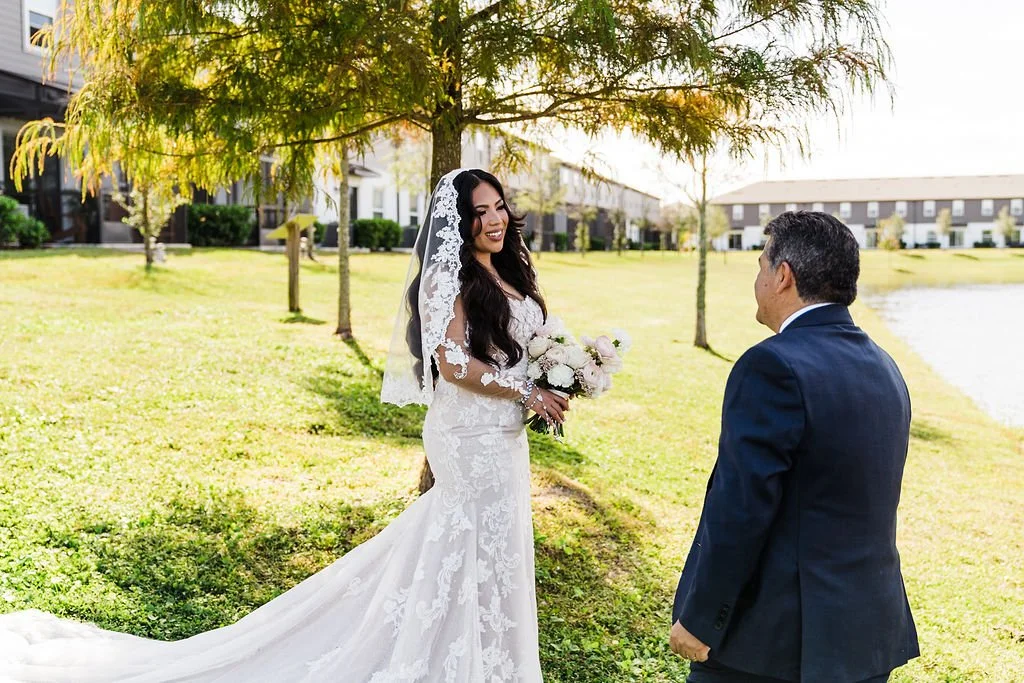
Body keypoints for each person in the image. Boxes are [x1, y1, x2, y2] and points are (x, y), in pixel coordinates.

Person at [0, 168, 565, 682]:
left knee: (492, 543)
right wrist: (527, 390)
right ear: (459, 222)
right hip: (466, 436)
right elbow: (449, 361)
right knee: (457, 540)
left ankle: (493, 658)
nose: (491, 220)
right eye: (478, 211)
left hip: (505, 437)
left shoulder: (512, 268)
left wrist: (561, 373)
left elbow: (515, 348)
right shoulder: (452, 276)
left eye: (497, 208)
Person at [670, 211, 919, 683]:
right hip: (866, 636)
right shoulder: (884, 366)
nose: (758, 277)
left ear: (783, 275)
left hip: (775, 646)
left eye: (761, 264)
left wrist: (702, 618)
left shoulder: (771, 366)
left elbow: (741, 509)